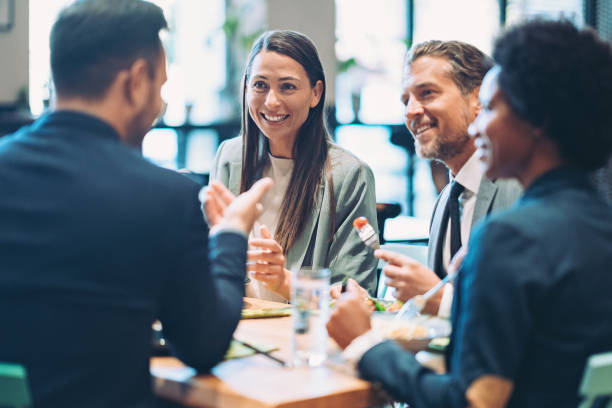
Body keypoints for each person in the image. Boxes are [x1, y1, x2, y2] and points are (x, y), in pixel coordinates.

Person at [327, 19, 612, 408]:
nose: (481, 126)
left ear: (537, 119)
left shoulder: (512, 237)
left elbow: (475, 403)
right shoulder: (598, 223)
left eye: (492, 108)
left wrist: (367, 345)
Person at [0, 1, 272, 407]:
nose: (159, 106)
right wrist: (231, 233)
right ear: (137, 80)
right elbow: (203, 345)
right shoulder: (164, 197)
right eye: (161, 88)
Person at [332, 40, 521, 318]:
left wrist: (443, 301)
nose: (411, 111)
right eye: (406, 100)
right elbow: (434, 308)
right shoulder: (448, 197)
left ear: (479, 100)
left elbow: (521, 312)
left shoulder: (517, 191)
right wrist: (376, 306)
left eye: (427, 93)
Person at [209, 30, 378, 301]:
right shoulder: (229, 157)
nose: (271, 101)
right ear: (246, 88)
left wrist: (284, 282)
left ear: (315, 93)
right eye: (260, 85)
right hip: (238, 328)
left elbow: (356, 296)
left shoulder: (349, 175)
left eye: (287, 86)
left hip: (304, 336)